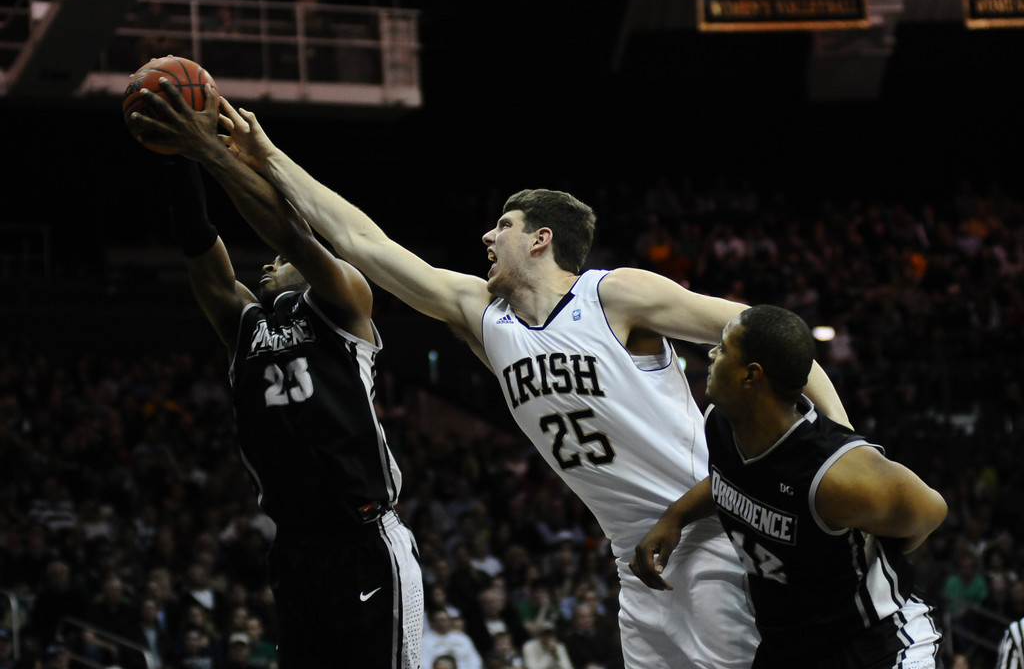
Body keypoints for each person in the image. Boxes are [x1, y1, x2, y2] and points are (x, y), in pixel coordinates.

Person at [129, 80, 851, 669]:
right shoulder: (483, 316)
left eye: (501, 227)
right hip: (634, 557)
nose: (485, 236)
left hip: (712, 530)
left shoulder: (614, 294)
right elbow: (359, 239)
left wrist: (844, 458)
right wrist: (267, 154)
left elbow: (781, 344)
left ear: (542, 239)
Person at [129, 94, 422, 669]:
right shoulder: (241, 323)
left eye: (277, 259)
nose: (268, 263)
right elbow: (197, 240)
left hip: (364, 539)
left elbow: (294, 240)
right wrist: (175, 155)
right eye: (262, 262)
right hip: (295, 549)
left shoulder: (344, 303)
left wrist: (208, 149)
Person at [630, 305, 948, 669]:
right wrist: (677, 515)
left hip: (873, 642)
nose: (712, 354)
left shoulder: (834, 472)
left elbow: (931, 512)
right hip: (791, 648)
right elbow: (732, 483)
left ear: (751, 376)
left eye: (723, 348)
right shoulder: (720, 423)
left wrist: (876, 564)